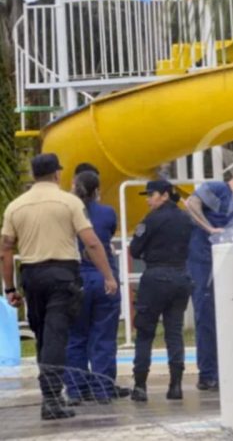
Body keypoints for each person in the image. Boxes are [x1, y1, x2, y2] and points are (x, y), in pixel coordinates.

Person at [1, 154, 118, 420]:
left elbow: (5, 250)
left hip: (32, 277)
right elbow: (91, 242)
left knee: (43, 335)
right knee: (56, 336)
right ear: (57, 174)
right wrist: (108, 276)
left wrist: (9, 288)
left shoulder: (15, 206)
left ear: (33, 175)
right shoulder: (69, 202)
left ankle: (49, 395)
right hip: (62, 276)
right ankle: (52, 399)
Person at [185, 164, 233, 390]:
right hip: (204, 262)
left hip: (225, 267)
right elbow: (191, 204)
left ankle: (224, 369)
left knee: (226, 318)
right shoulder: (216, 188)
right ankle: (208, 373)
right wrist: (209, 229)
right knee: (206, 316)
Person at [64, 169, 130, 404]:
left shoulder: (66, 211)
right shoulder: (106, 213)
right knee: (103, 336)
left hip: (76, 278)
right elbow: (106, 235)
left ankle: (75, 389)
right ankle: (103, 388)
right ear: (97, 191)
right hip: (103, 277)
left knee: (75, 336)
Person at [129, 180, 194, 402]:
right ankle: (176, 385)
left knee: (145, 332)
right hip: (180, 276)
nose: (148, 199)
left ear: (165, 195)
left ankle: (140, 386)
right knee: (174, 332)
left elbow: (135, 250)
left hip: (156, 277)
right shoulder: (186, 218)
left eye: (151, 194)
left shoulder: (152, 219)